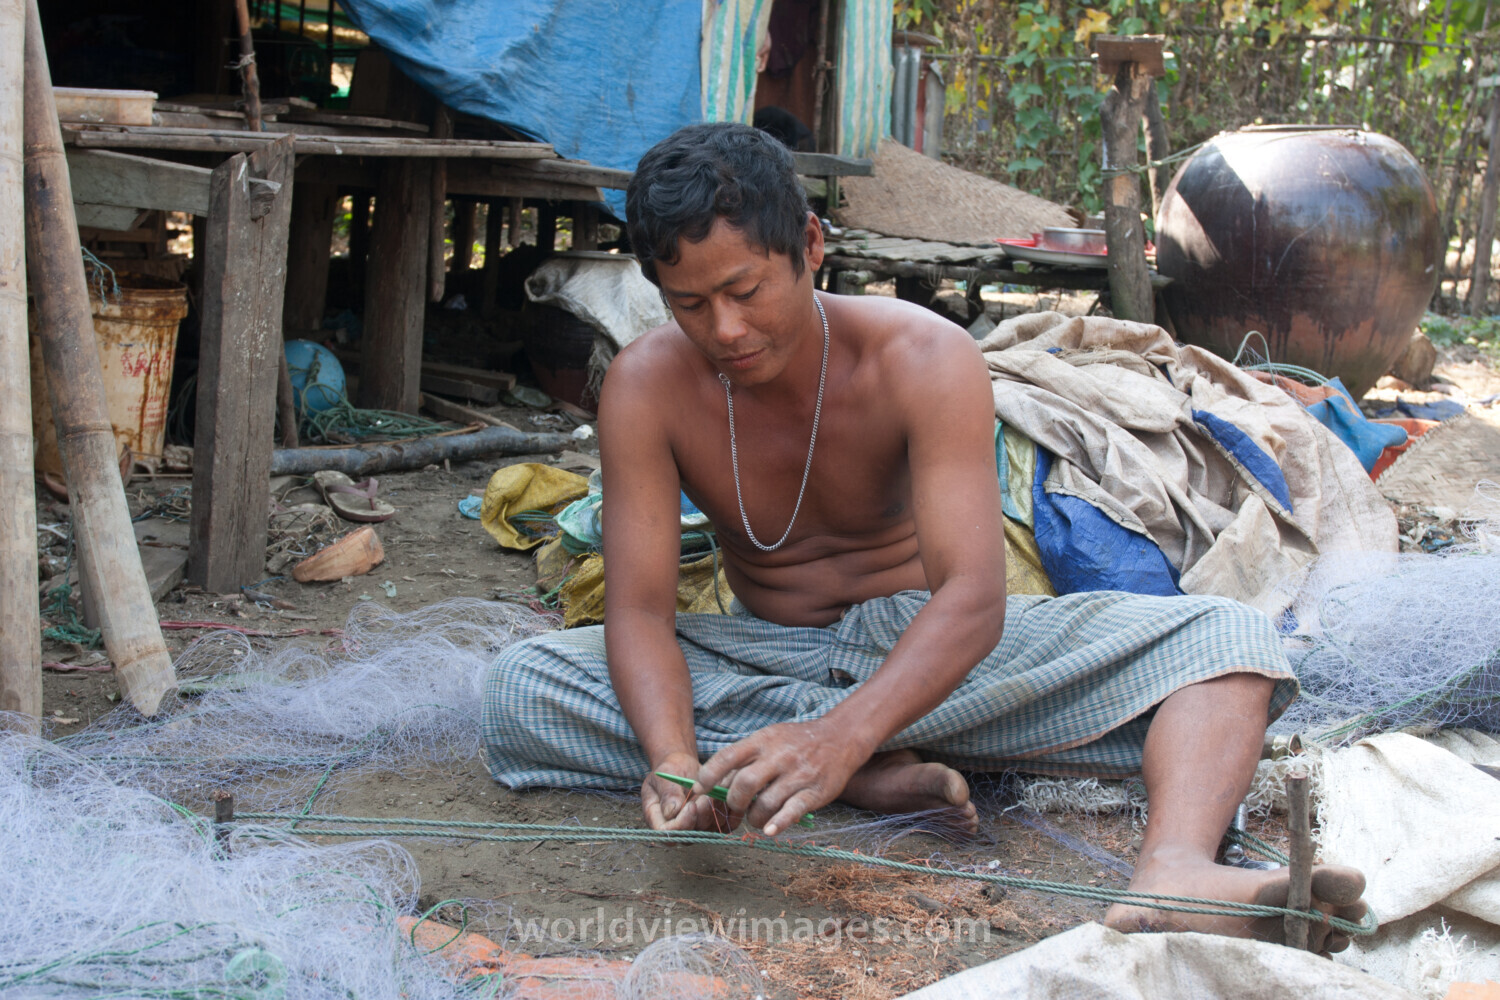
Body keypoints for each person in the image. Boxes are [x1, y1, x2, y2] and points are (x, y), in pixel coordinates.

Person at [482, 122, 1367, 952]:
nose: (726, 330)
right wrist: (675, 759)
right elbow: (637, 610)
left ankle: (1173, 870)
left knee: (1228, 639)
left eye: (745, 291)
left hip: (936, 659)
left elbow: (975, 600)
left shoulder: (924, 357)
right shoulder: (644, 386)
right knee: (521, 687)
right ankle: (844, 773)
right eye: (689, 306)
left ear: (813, 248)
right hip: (765, 657)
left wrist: (841, 735)